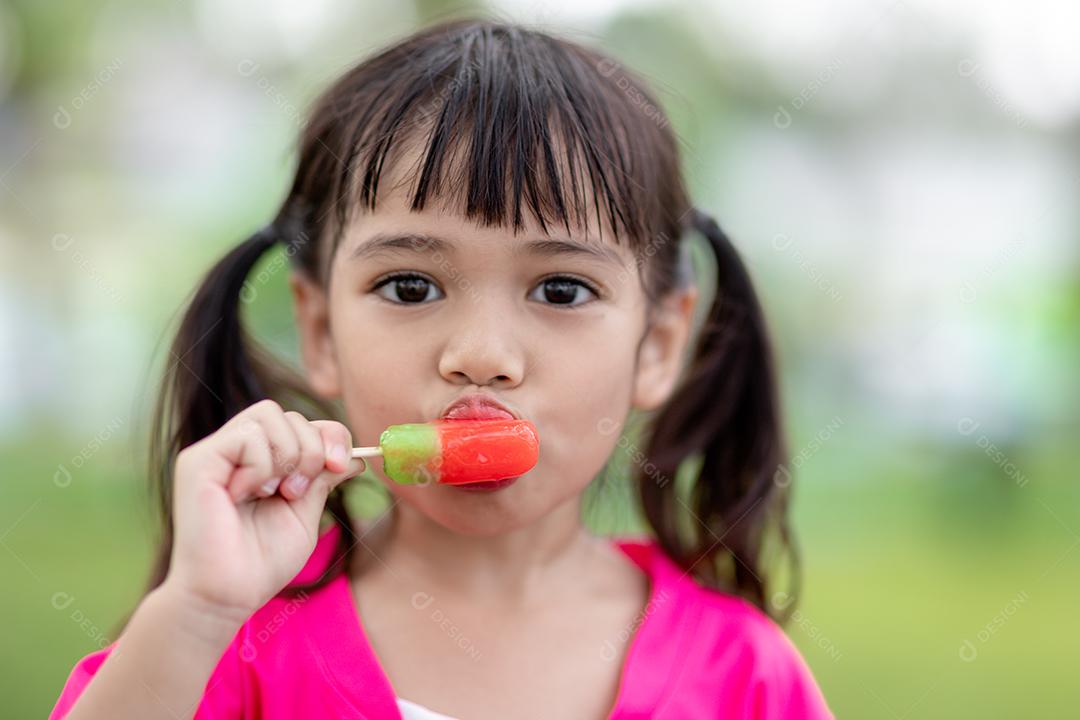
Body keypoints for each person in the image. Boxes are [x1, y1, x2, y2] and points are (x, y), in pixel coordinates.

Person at [51, 18, 834, 720]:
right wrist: (194, 615)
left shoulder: (744, 675)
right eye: (410, 287)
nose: (481, 357)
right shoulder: (233, 645)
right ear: (320, 329)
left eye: (562, 289)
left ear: (657, 346)